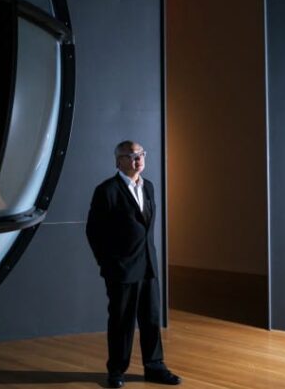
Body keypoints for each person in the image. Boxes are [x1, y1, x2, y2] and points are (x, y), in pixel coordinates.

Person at [86, 140, 182, 388]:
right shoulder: (106, 190)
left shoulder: (148, 187)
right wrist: (109, 263)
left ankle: (155, 366)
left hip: (149, 266)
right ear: (118, 161)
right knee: (121, 322)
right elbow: (93, 232)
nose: (137, 159)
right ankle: (116, 371)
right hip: (122, 270)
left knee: (151, 319)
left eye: (140, 154)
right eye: (130, 155)